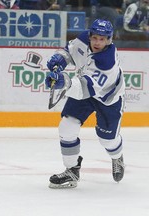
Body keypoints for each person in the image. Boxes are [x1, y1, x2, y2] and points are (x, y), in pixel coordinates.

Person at [45, 19, 126, 189]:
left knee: (107, 140)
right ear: (90, 35)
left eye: (102, 39)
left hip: (107, 98)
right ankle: (71, 170)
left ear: (109, 40)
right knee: (67, 127)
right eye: (95, 37)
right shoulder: (83, 39)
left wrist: (63, 81)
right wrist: (60, 59)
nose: (97, 42)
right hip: (84, 88)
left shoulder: (107, 62)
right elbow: (69, 51)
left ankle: (117, 156)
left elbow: (85, 88)